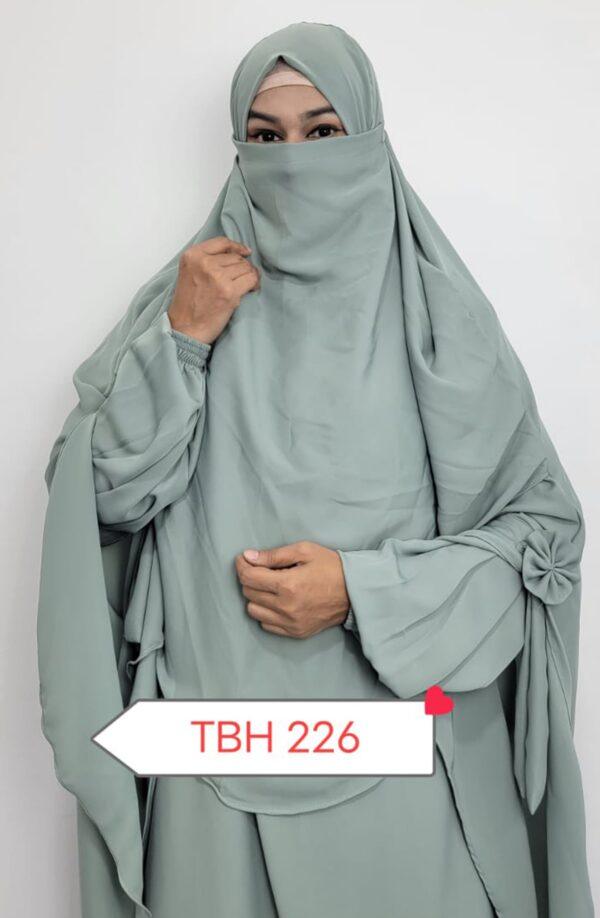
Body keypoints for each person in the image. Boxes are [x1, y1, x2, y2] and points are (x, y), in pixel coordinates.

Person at [36, 21, 595, 918]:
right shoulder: (190, 301)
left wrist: (365, 592)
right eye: (266, 136)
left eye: (323, 131)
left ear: (368, 139)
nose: (294, 160)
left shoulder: (438, 325)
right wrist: (181, 342)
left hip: (407, 781)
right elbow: (98, 501)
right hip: (215, 782)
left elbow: (543, 541)